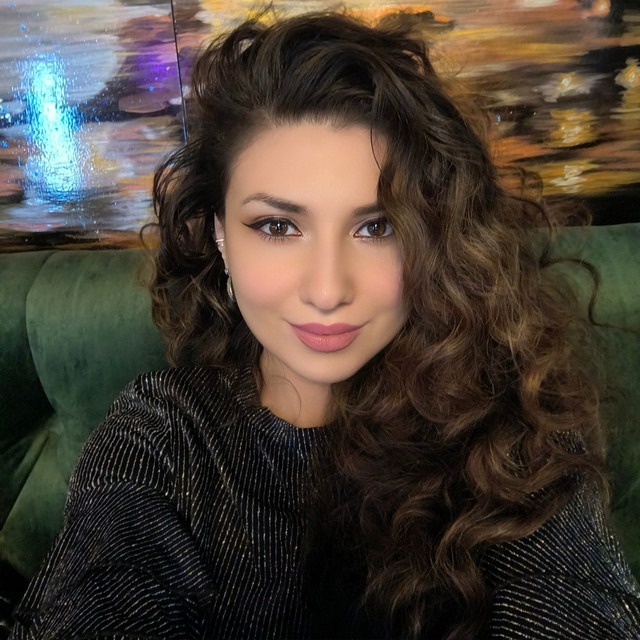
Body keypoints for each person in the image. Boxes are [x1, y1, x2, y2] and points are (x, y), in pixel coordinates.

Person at [10, 11, 640, 640]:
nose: (328, 290)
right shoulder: (161, 437)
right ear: (221, 235)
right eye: (278, 226)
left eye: (378, 226)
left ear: (435, 238)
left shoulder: (513, 423)